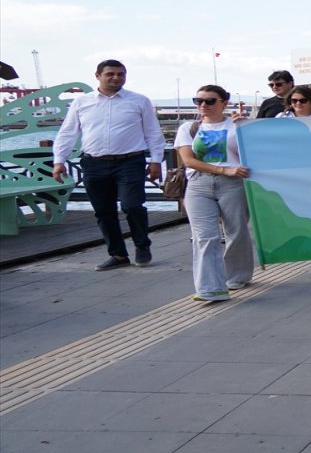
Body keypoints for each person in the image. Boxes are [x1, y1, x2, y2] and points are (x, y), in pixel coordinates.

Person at [52, 60, 166, 271]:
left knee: (132, 205)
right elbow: (68, 133)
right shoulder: (81, 102)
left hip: (130, 161)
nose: (116, 78)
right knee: (104, 211)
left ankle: (142, 245)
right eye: (110, 74)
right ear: (98, 76)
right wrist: (59, 161)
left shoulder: (139, 101)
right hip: (93, 163)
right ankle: (118, 254)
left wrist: (156, 161)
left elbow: (153, 132)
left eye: (121, 74)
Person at [176, 85, 254, 302]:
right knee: (205, 236)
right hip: (198, 184)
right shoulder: (189, 128)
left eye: (210, 101)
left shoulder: (236, 125)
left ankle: (238, 275)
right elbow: (188, 160)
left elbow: (254, 153)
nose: (203, 105)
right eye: (198, 101)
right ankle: (210, 288)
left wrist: (248, 128)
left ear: (223, 103)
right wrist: (222, 170)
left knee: (236, 231)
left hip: (234, 183)